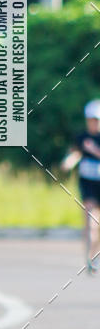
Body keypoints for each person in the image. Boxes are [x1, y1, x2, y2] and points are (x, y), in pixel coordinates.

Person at [61, 99, 100, 274]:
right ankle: (89, 258)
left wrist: (94, 151)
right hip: (88, 184)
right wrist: (68, 163)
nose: (94, 123)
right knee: (91, 221)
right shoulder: (82, 137)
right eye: (91, 120)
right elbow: (76, 153)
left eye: (97, 120)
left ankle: (95, 255)